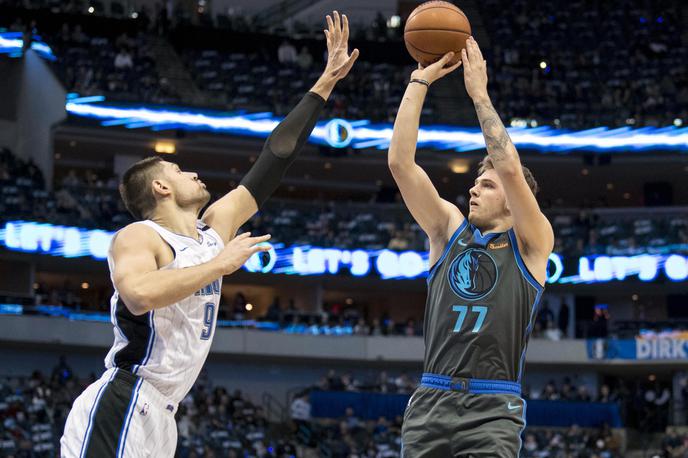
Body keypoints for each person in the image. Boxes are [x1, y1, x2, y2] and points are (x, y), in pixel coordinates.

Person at [59, 11, 358, 457]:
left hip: (163, 414)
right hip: (125, 398)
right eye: (179, 170)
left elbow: (273, 159)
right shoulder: (138, 236)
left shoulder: (213, 228)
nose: (193, 172)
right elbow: (139, 294)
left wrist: (323, 86)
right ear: (160, 188)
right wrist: (219, 265)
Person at [389, 37, 553, 456]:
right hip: (431, 398)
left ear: (513, 202)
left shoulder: (533, 244)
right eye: (477, 181)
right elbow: (400, 164)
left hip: (493, 406)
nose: (473, 188)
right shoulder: (448, 230)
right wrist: (418, 82)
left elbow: (511, 168)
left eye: (486, 184)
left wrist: (479, 95)